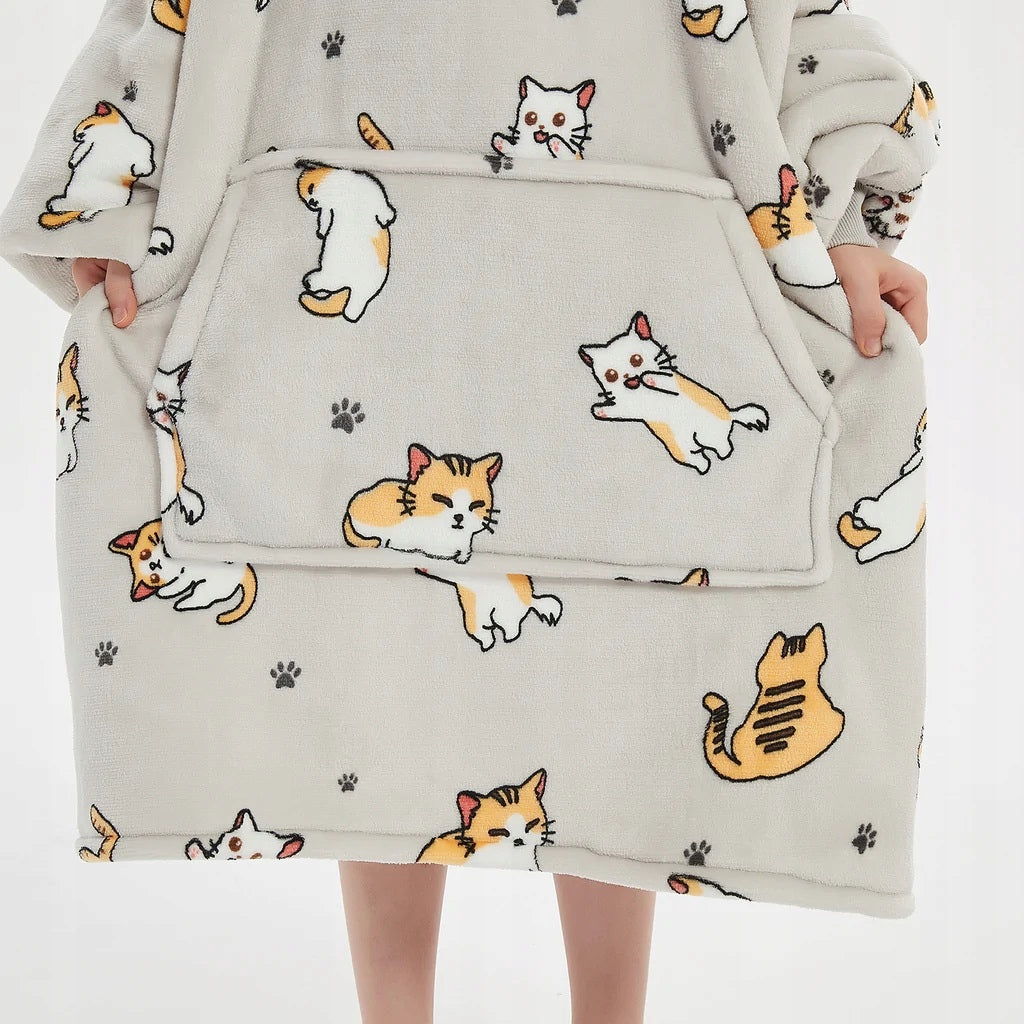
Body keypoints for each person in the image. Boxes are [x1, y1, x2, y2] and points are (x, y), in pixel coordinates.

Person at [1, 3, 940, 1022]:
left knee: (623, 681)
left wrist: (852, 223)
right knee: (375, 669)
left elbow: (809, 30)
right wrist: (110, 202)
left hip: (655, 251)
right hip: (334, 281)